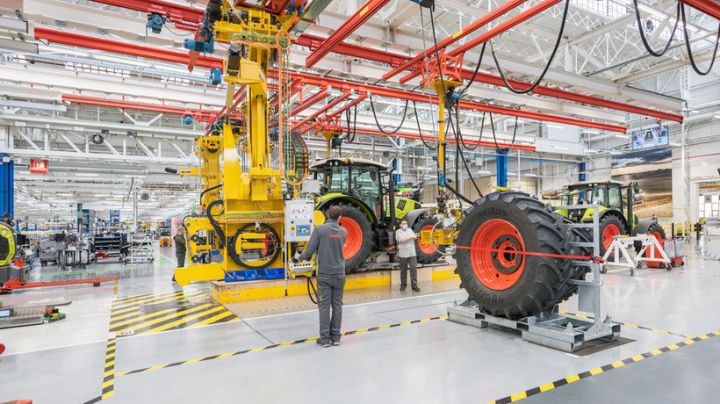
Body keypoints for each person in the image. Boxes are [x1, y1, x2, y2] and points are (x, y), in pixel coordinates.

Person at [295, 206, 347, 348]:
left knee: (324, 307)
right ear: (340, 217)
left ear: (328, 215)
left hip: (324, 275)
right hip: (340, 274)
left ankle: (325, 339)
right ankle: (336, 338)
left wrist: (298, 257)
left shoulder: (319, 230)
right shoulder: (344, 232)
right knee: (337, 305)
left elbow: (309, 252)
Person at [395, 219, 420, 292]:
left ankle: (414, 286)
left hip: (412, 253)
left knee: (413, 268)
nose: (405, 225)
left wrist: (415, 236)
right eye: (403, 224)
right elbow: (402, 240)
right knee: (403, 270)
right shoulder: (398, 232)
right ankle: (403, 285)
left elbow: (415, 237)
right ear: (400, 225)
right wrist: (411, 236)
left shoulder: (410, 230)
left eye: (406, 223)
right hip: (403, 254)